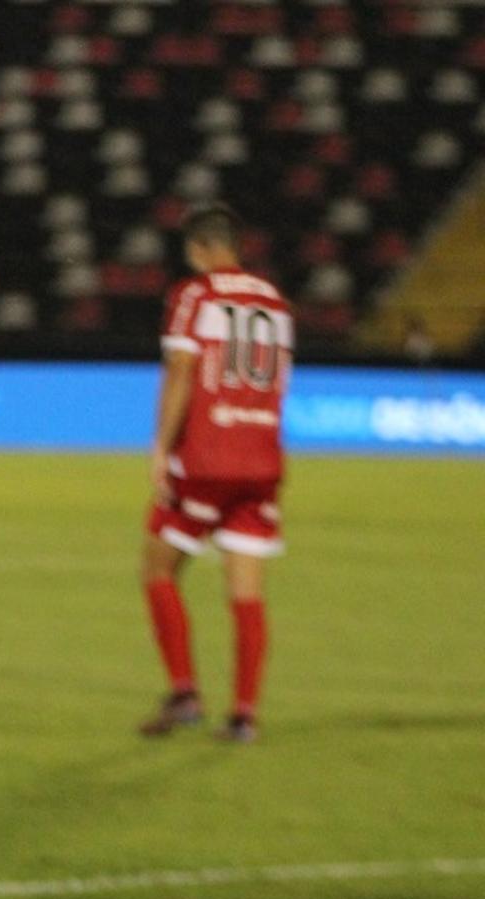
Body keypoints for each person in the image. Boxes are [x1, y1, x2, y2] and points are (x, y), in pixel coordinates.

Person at [139, 204, 292, 743]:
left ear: (198, 249)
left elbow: (181, 370)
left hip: (206, 457)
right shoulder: (275, 300)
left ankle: (184, 694)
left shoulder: (195, 294)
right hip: (260, 459)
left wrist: (161, 448)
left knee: (158, 570)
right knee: (246, 592)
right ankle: (244, 714)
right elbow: (281, 381)